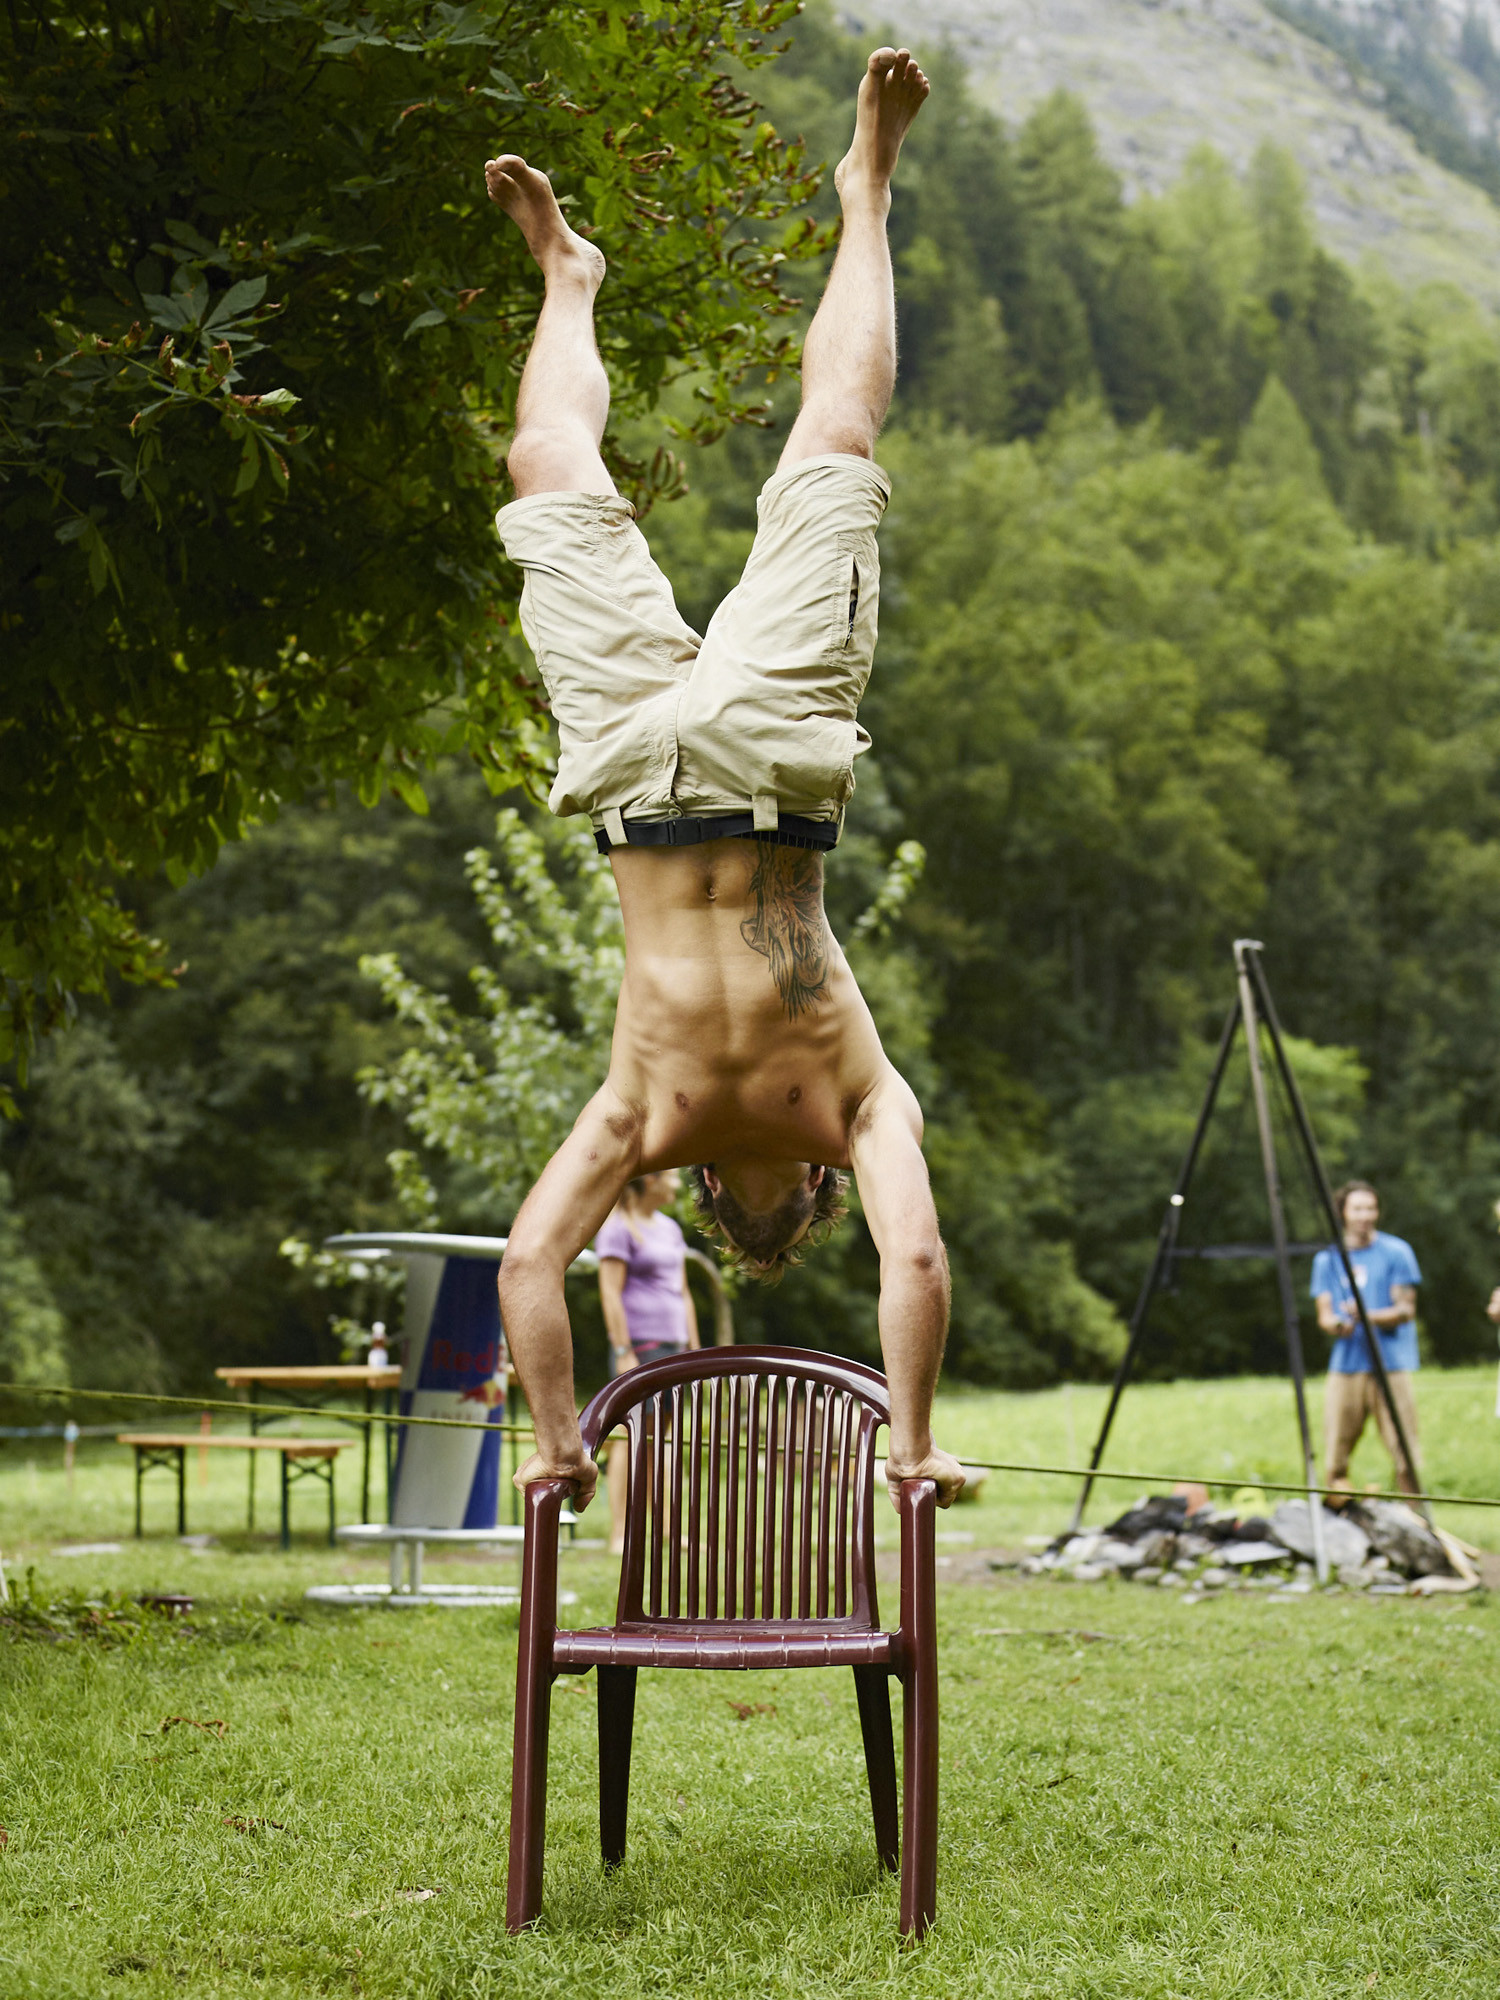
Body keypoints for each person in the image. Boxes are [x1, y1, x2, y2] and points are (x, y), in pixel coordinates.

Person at [487, 47, 963, 1518]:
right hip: (767, 759)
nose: (770, 1198)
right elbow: (923, 1259)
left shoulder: (651, 1118)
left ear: (719, 1198)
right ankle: (866, 192)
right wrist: (909, 1439)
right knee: (832, 445)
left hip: (633, 764)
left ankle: (570, 280)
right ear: (811, 1193)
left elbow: (525, 1264)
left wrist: (564, 1440)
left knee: (543, 470)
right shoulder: (857, 1104)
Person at [596, 1171, 700, 1553]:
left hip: (674, 1346)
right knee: (628, 1437)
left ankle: (671, 1532)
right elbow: (610, 1293)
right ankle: (621, 1534)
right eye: (672, 1177)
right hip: (640, 1347)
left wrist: (693, 1348)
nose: (676, 1185)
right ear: (650, 1180)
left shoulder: (671, 1229)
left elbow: (683, 1291)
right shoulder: (617, 1228)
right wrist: (623, 1350)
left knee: (666, 1440)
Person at [1311, 1180, 1423, 1497]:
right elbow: (1324, 1315)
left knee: (1405, 1452)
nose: (1366, 1215)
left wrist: (1365, 1314)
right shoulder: (1327, 1259)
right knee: (1335, 1451)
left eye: (1371, 1208)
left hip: (1391, 1364)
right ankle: (1339, 1519)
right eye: (1358, 1208)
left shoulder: (1397, 1252)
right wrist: (1337, 1324)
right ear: (1343, 1213)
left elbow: (1405, 1310)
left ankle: (1416, 1520)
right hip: (1347, 1365)